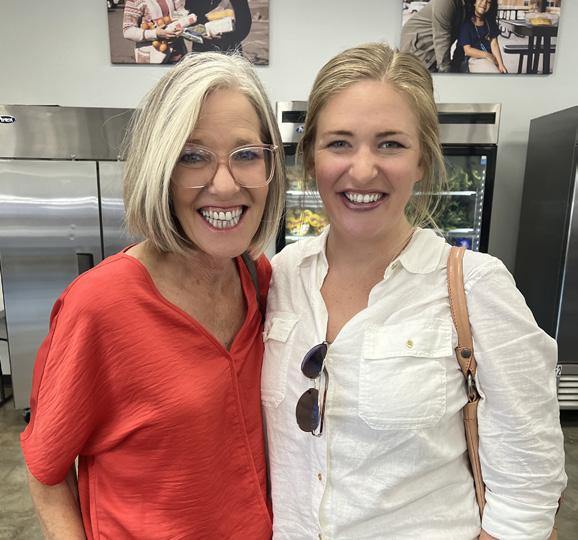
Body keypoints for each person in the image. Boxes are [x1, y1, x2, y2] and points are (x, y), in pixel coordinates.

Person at [262, 42, 566, 539]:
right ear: (311, 157)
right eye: (339, 143)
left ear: (422, 158)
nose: (363, 170)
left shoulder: (476, 286)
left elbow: (527, 487)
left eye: (390, 144)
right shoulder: (279, 278)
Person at [21, 51, 284, 539]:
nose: (224, 184)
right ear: (159, 167)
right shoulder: (100, 305)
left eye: (246, 154)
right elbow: (46, 471)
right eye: (192, 156)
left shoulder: (257, 278)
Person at [400, 0, 466, 72]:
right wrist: (445, 70)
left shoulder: (468, 4)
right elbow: (441, 36)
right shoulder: (445, 2)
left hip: (436, 48)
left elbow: (462, 37)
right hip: (419, 48)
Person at [123, 0, 188, 63]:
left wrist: (182, 27)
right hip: (153, 57)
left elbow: (180, 14)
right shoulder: (135, 1)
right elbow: (128, 30)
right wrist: (155, 34)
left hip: (177, 53)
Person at [185, 0, 252, 54]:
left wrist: (224, 37)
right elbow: (189, 21)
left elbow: (244, 26)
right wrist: (199, 34)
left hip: (228, 52)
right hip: (201, 51)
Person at [459, 0, 507, 73]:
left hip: (490, 58)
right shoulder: (466, 24)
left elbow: (494, 44)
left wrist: (501, 64)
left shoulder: (490, 22)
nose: (484, 3)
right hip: (475, 58)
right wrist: (487, 55)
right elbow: (467, 51)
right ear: (474, 2)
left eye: (488, 2)